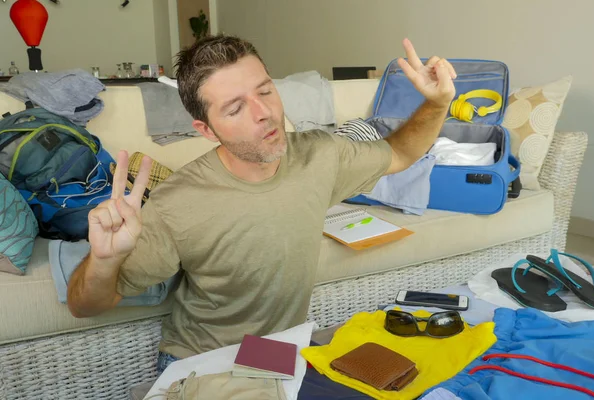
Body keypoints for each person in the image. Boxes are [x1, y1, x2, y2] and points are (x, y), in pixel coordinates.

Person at [66, 34, 457, 374]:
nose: (264, 113)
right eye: (235, 109)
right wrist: (104, 260)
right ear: (206, 130)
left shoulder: (321, 156)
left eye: (266, 90)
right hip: (202, 361)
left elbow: (399, 154)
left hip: (279, 354)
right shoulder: (177, 204)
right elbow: (85, 307)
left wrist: (438, 103)